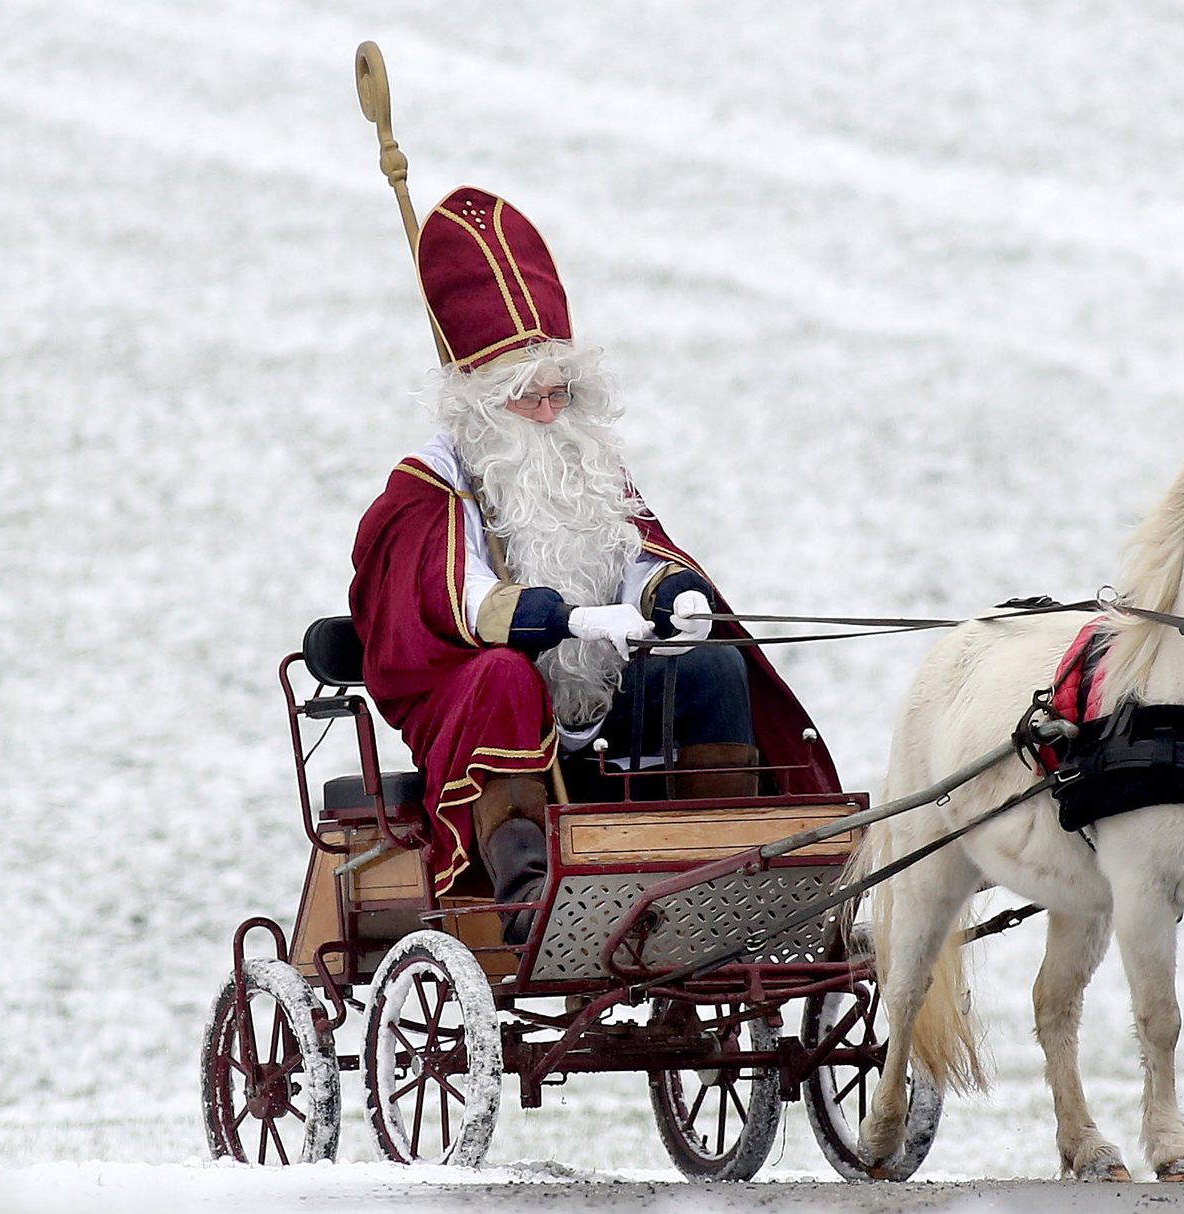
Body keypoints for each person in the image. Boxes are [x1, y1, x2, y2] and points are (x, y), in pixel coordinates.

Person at [348, 186, 838, 941]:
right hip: (483, 705)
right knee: (503, 676)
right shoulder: (431, 485)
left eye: (560, 392)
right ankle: (524, 890)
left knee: (710, 667)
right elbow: (456, 599)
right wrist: (561, 617)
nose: (550, 414)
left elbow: (632, 552)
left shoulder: (583, 463)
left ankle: (723, 870)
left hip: (597, 697)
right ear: (480, 402)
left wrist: (670, 592)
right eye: (529, 399)